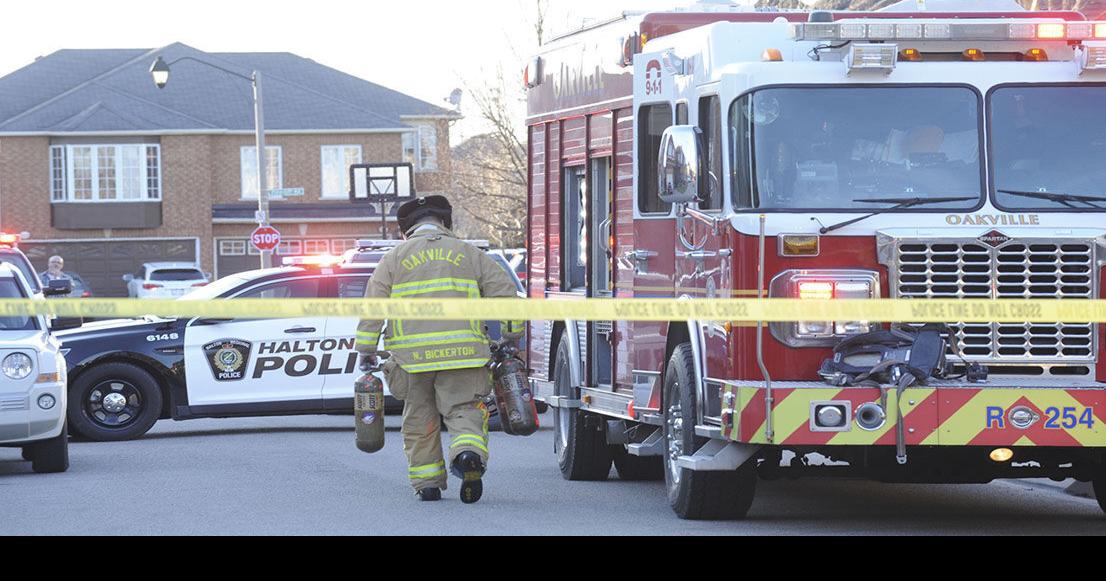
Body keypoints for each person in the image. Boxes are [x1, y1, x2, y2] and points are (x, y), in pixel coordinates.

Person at [356, 195, 524, 504]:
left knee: (419, 420)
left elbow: (373, 307)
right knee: (465, 411)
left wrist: (366, 349)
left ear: (405, 230)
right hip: (464, 356)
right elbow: (504, 293)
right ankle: (467, 454)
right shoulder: (470, 254)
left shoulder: (393, 259)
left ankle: (428, 483)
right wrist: (512, 334)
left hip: (412, 360)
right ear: (445, 223)